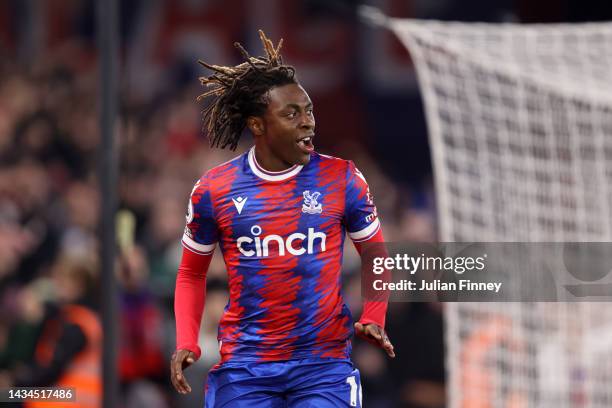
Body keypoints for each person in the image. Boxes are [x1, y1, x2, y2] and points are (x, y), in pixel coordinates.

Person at [171, 30, 394, 407]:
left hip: (322, 365)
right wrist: (186, 340)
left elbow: (376, 254)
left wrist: (374, 315)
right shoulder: (215, 189)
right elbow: (191, 273)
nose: (308, 122)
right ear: (258, 125)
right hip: (245, 366)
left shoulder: (342, 178)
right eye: (292, 113)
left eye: (308, 110)